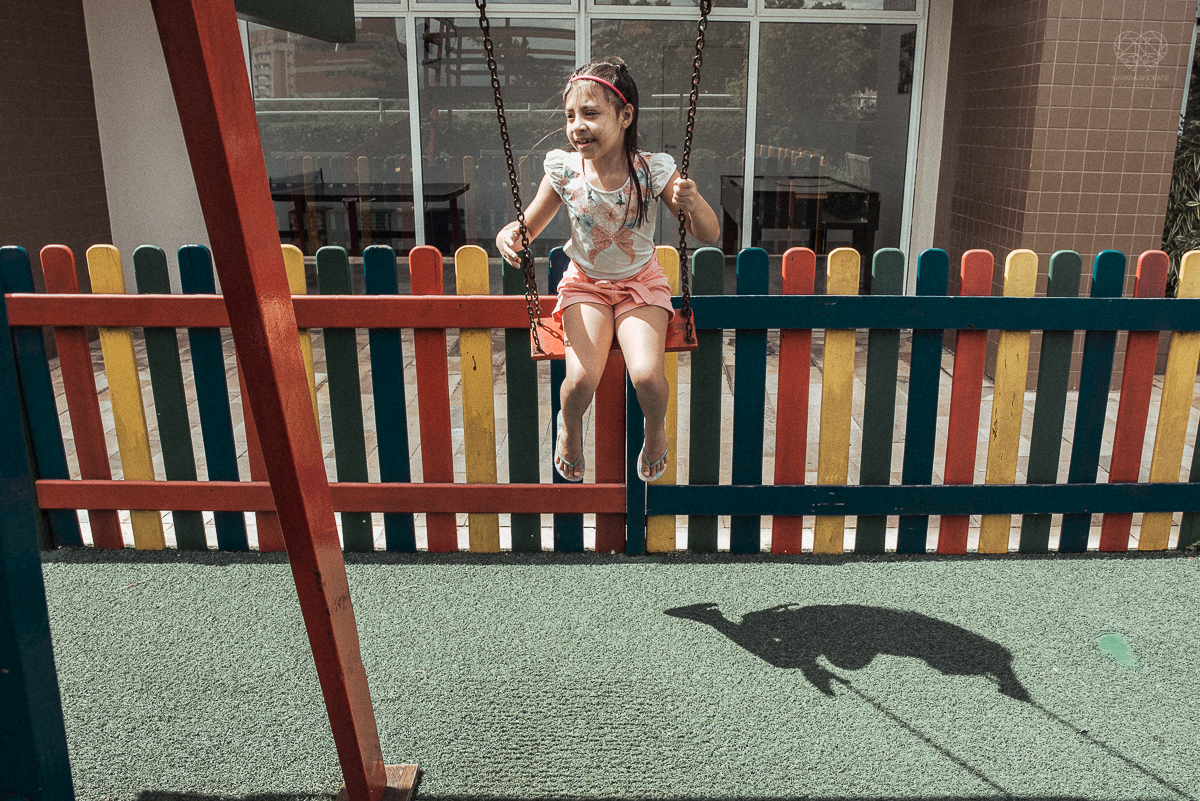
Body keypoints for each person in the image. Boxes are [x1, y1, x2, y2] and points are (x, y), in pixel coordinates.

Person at [496, 58, 720, 483]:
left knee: (649, 376)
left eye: (591, 113)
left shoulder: (653, 170)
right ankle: (570, 427)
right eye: (570, 116)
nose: (577, 125)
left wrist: (694, 204)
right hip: (586, 285)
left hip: (641, 284)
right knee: (580, 379)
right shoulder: (564, 170)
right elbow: (528, 227)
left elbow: (708, 233)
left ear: (625, 115)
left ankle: (655, 430)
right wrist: (508, 235)